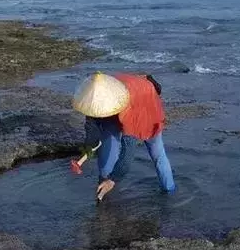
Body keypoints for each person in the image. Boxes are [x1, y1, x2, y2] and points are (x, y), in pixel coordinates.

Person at [72, 71, 176, 201]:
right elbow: (91, 128)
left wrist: (113, 180)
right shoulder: (94, 97)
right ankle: (104, 193)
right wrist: (88, 148)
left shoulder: (129, 112)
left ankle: (170, 194)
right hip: (124, 95)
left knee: (157, 153)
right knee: (108, 149)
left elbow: (127, 155)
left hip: (145, 105)